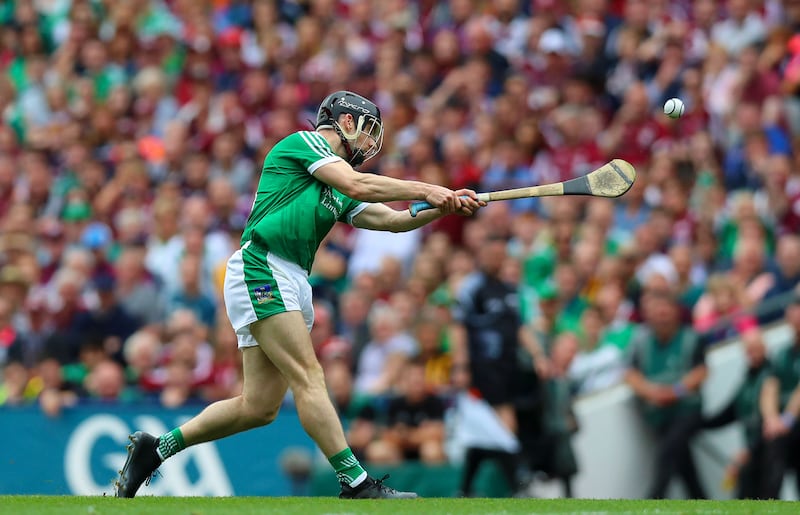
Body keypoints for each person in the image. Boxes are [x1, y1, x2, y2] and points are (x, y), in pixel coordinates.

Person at [114, 90, 484, 499]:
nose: (369, 142)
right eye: (367, 130)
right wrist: (427, 188)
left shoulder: (338, 182)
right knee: (309, 376)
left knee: (258, 407)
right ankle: (356, 482)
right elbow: (358, 184)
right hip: (263, 266)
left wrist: (443, 208)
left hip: (289, 276)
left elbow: (391, 220)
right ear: (345, 122)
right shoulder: (305, 143)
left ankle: (155, 449)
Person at [625, 290, 709, 499]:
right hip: (659, 415)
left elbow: (701, 371)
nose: (662, 317)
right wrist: (652, 392)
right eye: (657, 313)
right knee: (686, 470)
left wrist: (675, 391)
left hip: (686, 410)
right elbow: (630, 375)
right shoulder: (641, 343)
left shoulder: (691, 338)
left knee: (667, 455)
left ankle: (653, 501)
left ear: (675, 313)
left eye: (666, 312)